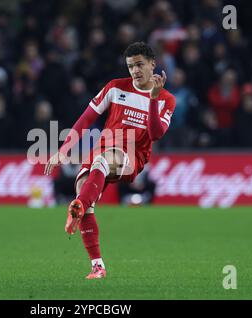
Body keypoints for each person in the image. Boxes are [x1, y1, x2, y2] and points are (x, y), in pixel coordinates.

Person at [44, 42, 176, 279]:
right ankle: (98, 266)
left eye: (139, 65)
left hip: (133, 155)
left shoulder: (166, 99)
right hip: (102, 149)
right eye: (130, 66)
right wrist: (64, 150)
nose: (135, 70)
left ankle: (78, 205)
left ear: (152, 64)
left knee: (105, 161)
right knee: (84, 190)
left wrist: (154, 100)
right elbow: (86, 119)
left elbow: (156, 134)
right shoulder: (115, 88)